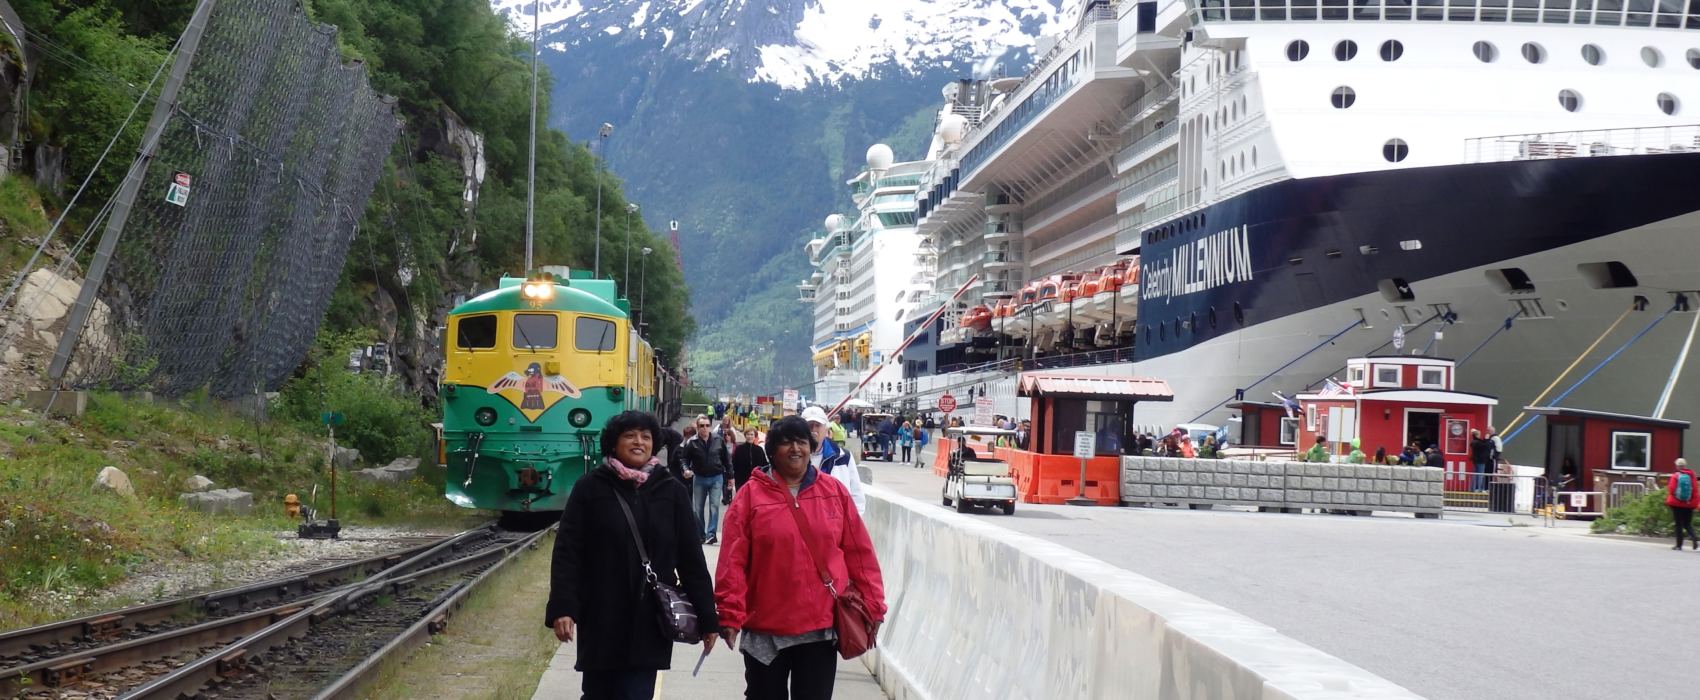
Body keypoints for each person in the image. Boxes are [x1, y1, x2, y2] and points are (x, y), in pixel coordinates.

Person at [546, 411, 719, 699]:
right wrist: (563, 607)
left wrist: (707, 618)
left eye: (646, 436)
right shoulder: (590, 487)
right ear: (613, 444)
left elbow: (691, 561)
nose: (639, 442)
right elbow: (568, 552)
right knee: (597, 694)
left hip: (650, 620)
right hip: (601, 616)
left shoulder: (671, 491)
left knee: (637, 693)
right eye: (630, 436)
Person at [716, 416, 886, 700]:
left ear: (811, 447)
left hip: (819, 628)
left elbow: (861, 555)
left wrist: (874, 606)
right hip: (765, 631)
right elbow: (732, 562)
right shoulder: (749, 497)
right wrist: (730, 614)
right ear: (771, 451)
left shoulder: (834, 492)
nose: (795, 449)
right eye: (786, 443)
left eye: (802, 442)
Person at [800, 406, 867, 514]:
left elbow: (856, 496)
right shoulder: (794, 458)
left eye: (817, 425)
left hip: (837, 525)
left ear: (826, 430)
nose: (813, 429)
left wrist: (852, 526)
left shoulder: (843, 457)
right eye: (809, 425)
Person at [682, 415, 732, 545]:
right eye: (702, 426)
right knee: (697, 508)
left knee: (714, 506)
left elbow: (726, 459)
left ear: (710, 426)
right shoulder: (692, 442)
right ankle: (700, 534)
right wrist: (686, 469)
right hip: (699, 478)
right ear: (697, 428)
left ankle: (711, 534)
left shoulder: (718, 440)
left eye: (707, 426)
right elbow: (684, 459)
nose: (705, 428)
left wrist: (731, 477)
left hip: (716, 477)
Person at [1668, 458, 1699, 550]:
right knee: (1687, 524)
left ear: (1677, 466)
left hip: (1677, 504)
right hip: (1689, 504)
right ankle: (1694, 537)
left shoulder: (1675, 476)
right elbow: (1695, 490)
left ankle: (1679, 545)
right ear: (1685, 466)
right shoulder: (1692, 476)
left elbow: (1672, 489)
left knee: (1678, 524)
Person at [731, 426, 768, 492]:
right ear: (745, 436)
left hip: (756, 481)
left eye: (751, 434)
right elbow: (733, 463)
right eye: (748, 434)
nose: (750, 436)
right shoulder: (739, 449)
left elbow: (764, 464)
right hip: (741, 481)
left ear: (755, 436)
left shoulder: (759, 450)